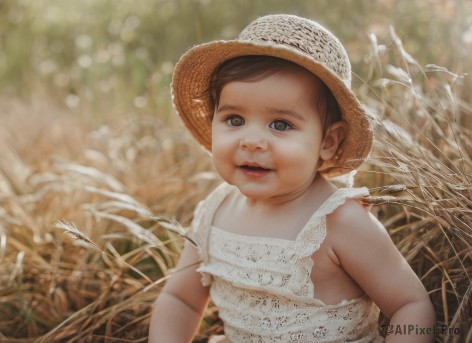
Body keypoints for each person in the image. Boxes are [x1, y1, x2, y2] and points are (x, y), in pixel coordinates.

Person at [149, 14, 435, 343]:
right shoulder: (213, 213)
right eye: (235, 119)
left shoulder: (341, 222)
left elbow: (409, 305)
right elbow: (180, 301)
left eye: (281, 125)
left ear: (328, 142)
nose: (251, 140)